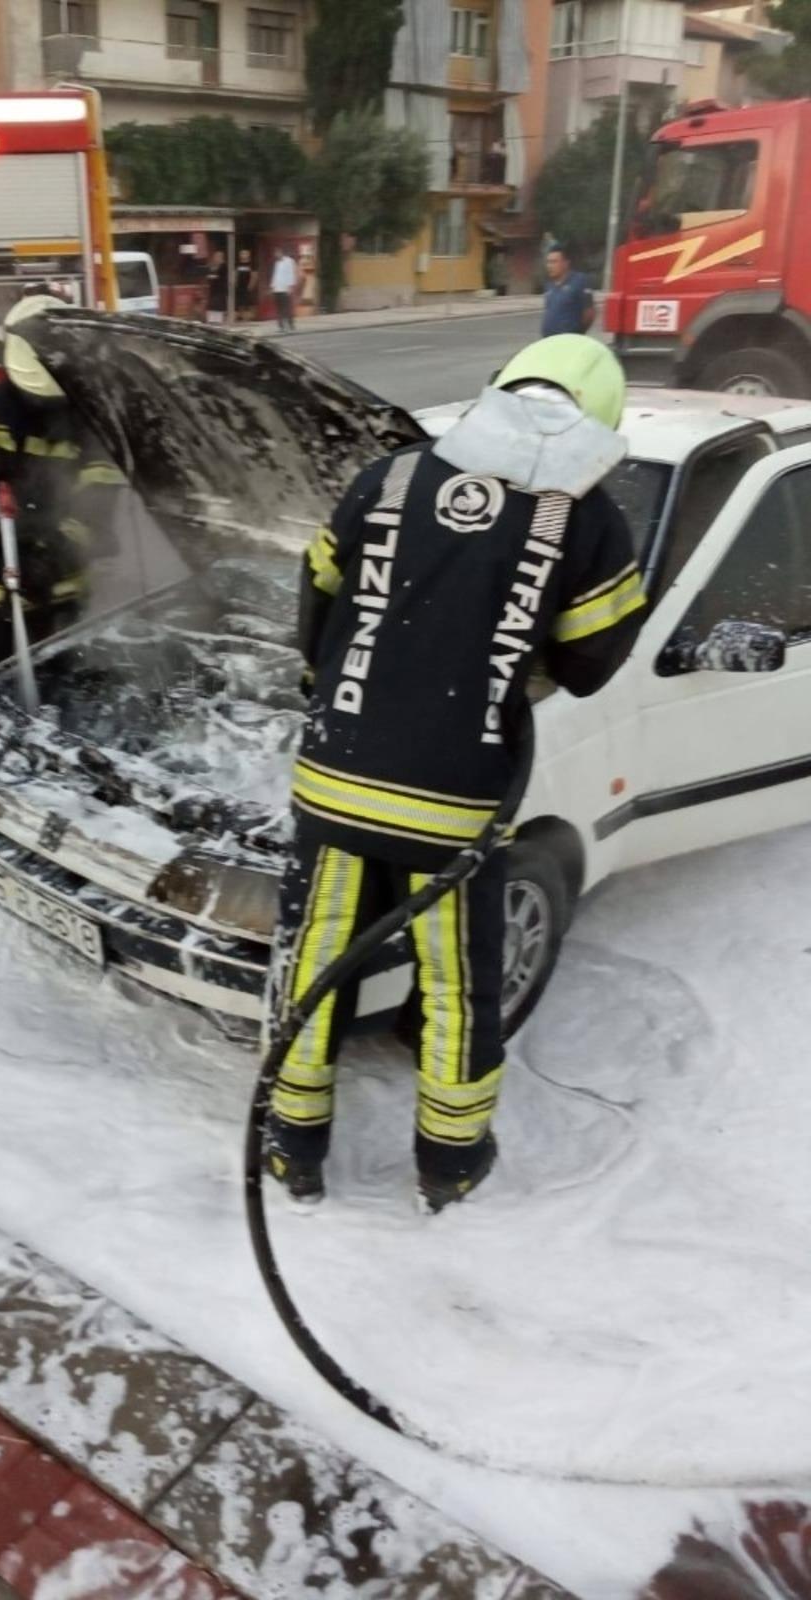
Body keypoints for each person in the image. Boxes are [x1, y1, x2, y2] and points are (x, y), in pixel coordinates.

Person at [265, 336, 647, 1212]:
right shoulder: (584, 517)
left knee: (316, 962)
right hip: (454, 800)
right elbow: (592, 663)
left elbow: (319, 587)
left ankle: (294, 1149)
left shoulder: (390, 477)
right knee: (456, 989)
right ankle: (450, 1164)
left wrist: (337, 683)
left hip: (336, 775)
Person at [0, 295, 127, 680]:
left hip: (59, 594)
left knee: (60, 692)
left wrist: (55, 555)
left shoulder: (88, 424)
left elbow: (98, 508)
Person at [542, 244, 596, 336]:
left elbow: (589, 313)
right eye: (548, 262)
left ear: (566, 263)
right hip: (549, 341)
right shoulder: (549, 285)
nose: (549, 266)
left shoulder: (579, 281)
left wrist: (577, 333)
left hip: (568, 341)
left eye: (554, 262)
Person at [270, 246, 298, 333]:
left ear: (281, 252)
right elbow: (275, 275)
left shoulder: (289, 261)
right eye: (275, 253)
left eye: (277, 253)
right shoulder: (277, 263)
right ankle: (281, 326)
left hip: (285, 288)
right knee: (279, 308)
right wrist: (272, 286)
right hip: (277, 288)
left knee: (287, 308)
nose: (275, 255)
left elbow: (291, 274)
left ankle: (290, 324)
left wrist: (290, 286)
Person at [205, 249, 228, 325]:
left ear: (221, 257)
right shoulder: (213, 266)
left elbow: (218, 276)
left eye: (217, 257)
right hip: (213, 290)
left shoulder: (224, 266)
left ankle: (218, 322)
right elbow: (209, 275)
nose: (215, 258)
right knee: (212, 306)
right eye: (215, 256)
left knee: (218, 307)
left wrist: (212, 275)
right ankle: (211, 322)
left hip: (220, 290)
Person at [235, 248, 257, 321]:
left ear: (248, 255)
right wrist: (235, 283)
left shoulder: (252, 264)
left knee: (250, 302)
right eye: (242, 253)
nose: (243, 255)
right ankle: (241, 316)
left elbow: (254, 275)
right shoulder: (237, 264)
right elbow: (235, 274)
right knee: (240, 303)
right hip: (239, 286)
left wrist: (251, 285)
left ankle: (253, 317)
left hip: (248, 286)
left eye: (245, 253)